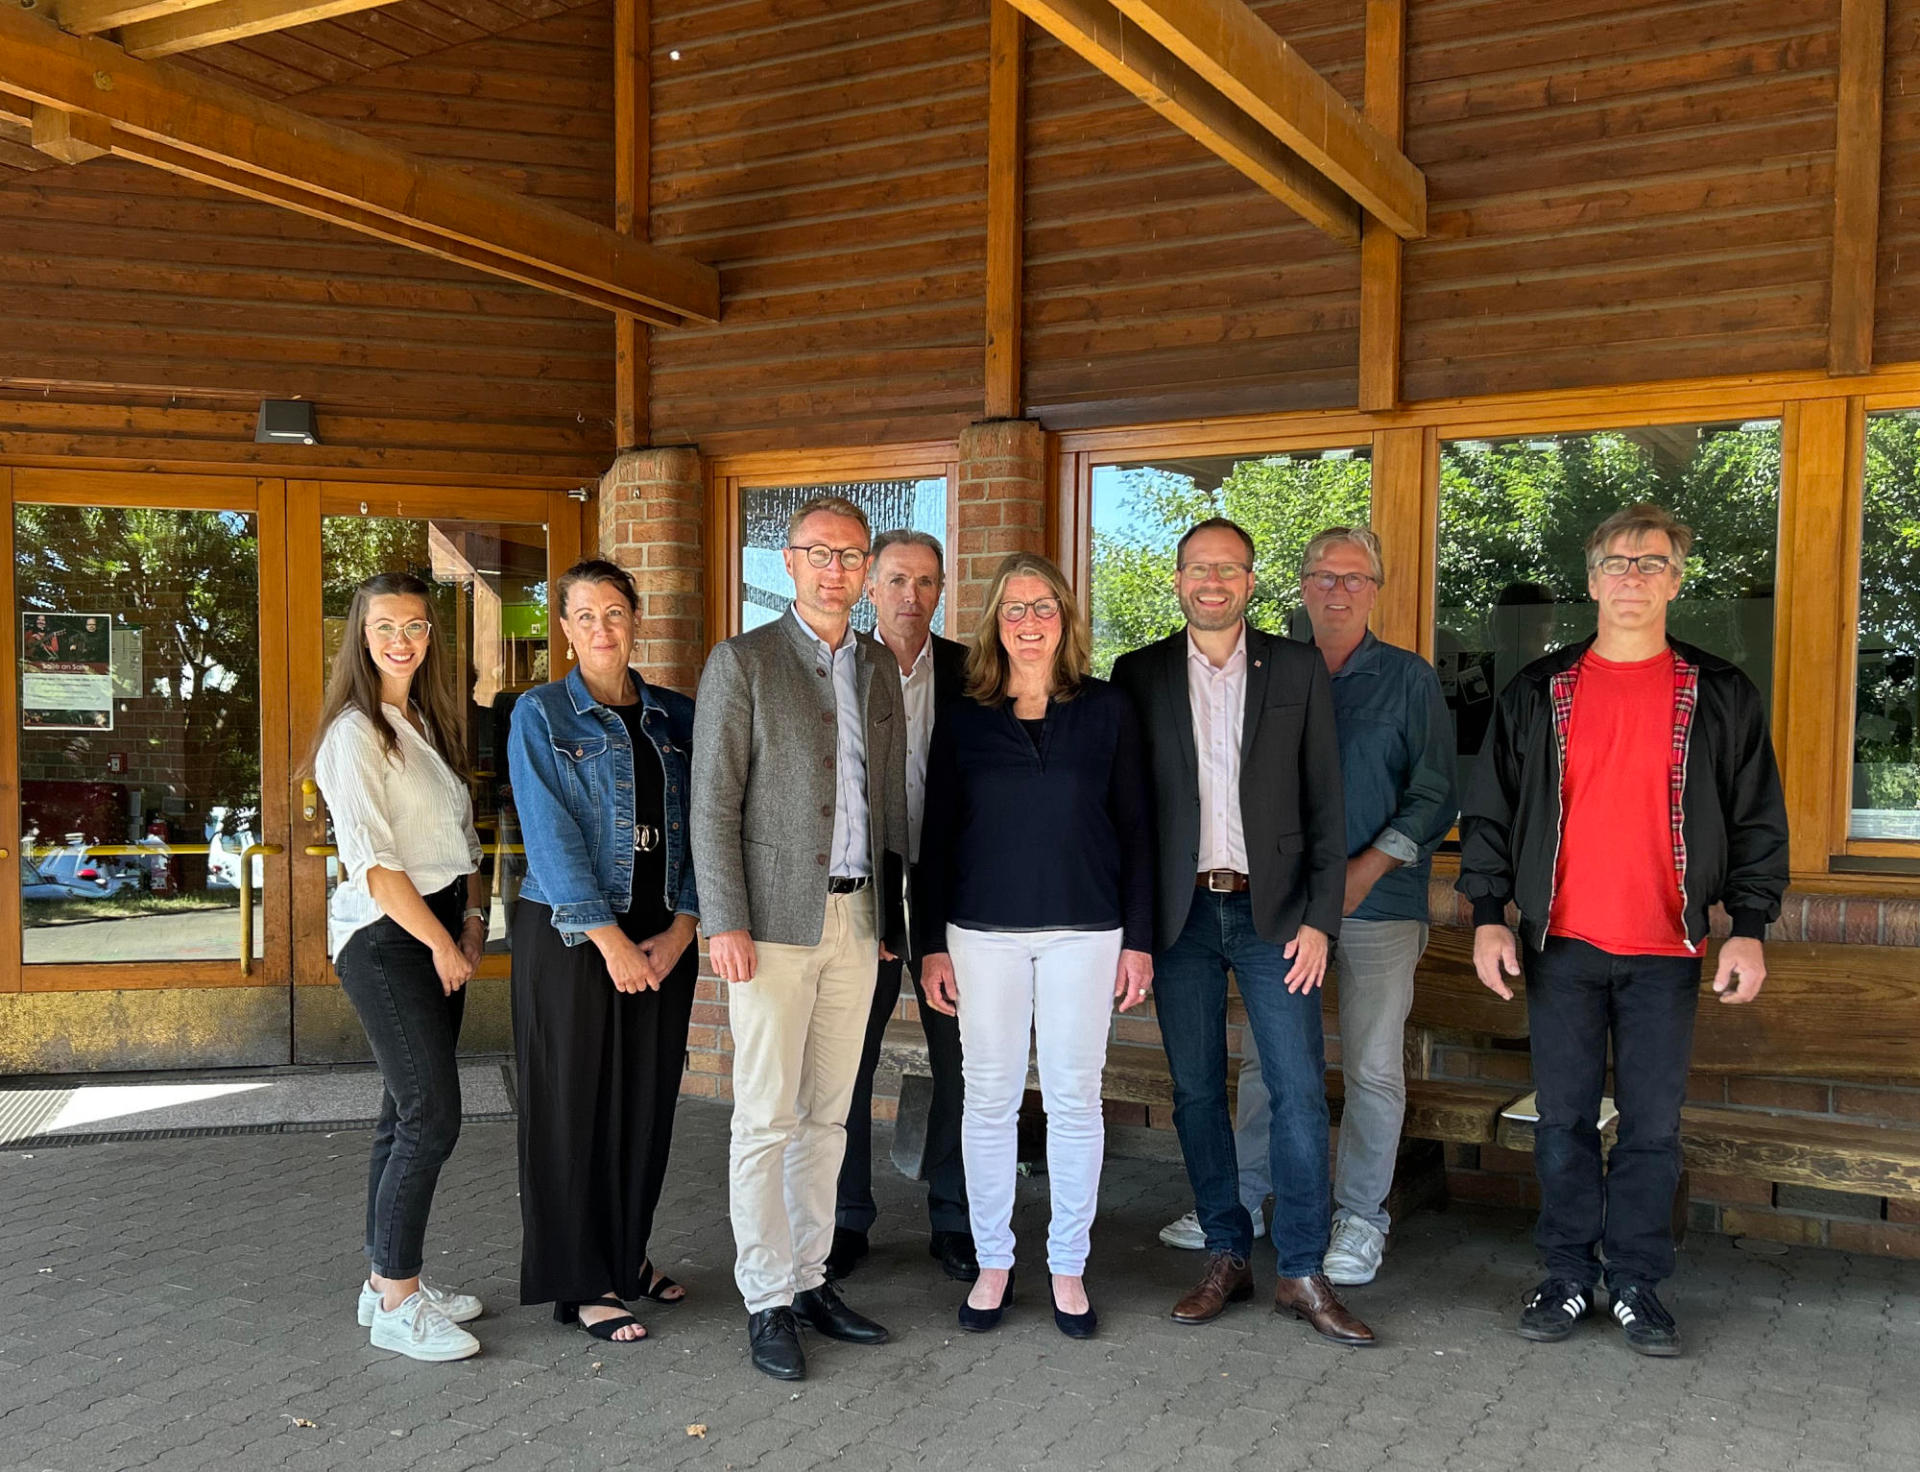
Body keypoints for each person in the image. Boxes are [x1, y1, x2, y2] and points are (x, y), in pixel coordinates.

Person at [1459, 503, 1788, 1357]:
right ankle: (1567, 1274)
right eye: (1616, 562)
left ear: (1678, 580)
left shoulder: (1719, 694)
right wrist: (1489, 916)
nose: (1631, 577)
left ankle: (1637, 1283)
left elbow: (1757, 822)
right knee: (1563, 1119)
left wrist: (1748, 925)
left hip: (1668, 950)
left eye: (1651, 563)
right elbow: (1490, 814)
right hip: (1561, 947)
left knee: (1650, 1126)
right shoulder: (1541, 690)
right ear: (1591, 577)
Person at [1159, 529, 1457, 1288]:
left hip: (1378, 903)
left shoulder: (1407, 680)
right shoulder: (1268, 667)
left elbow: (1434, 795)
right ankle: (1255, 1195)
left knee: (1369, 1065)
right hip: (1281, 902)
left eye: (1353, 579)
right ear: (1297, 585)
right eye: (1322, 576)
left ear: (1376, 589)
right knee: (1272, 1060)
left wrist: (1367, 865)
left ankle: (1360, 1214)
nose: (1336, 590)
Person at [1112, 518, 1373, 1347]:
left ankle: (1300, 1267)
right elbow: (1128, 816)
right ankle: (1227, 1250)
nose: (1213, 582)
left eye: (1228, 568)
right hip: (1180, 916)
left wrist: (1322, 921)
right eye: (1199, 568)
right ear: (1179, 578)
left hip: (1276, 916)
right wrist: (1134, 933)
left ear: (1252, 581)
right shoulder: (1138, 673)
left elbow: (1328, 806)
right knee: (1194, 1091)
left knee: (1297, 1091)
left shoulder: (1294, 667)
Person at [690, 495, 909, 1382]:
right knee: (765, 1117)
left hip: (859, 921)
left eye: (852, 555)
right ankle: (767, 1298)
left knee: (829, 1116)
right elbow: (712, 802)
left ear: (865, 570)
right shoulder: (742, 661)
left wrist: (895, 916)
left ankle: (814, 1280)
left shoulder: (879, 668)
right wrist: (725, 920)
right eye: (819, 552)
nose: (836, 569)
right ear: (789, 561)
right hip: (772, 927)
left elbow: (890, 802)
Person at [918, 552, 1154, 1341]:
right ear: (994, 624)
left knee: (1074, 1099)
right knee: (986, 1100)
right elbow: (936, 838)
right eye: (1013, 608)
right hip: (979, 931)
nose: (1028, 621)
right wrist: (931, 946)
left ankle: (1066, 1266)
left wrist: (1139, 942)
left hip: (1086, 931)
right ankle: (993, 1263)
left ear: (1065, 618)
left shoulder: (1111, 710)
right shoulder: (963, 716)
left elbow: (1137, 831)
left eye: (1042, 606)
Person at [507, 559, 701, 1346]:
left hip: (663, 936)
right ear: (563, 627)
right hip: (573, 938)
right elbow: (547, 835)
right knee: (572, 1108)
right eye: (583, 615)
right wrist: (611, 940)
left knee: (645, 1105)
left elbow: (707, 824)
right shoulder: (542, 713)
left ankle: (627, 1254)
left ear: (636, 618)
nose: (600, 629)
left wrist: (683, 928)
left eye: (613, 612)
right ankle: (582, 1280)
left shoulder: (676, 716)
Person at [310, 572, 488, 1363]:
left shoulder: (424, 722)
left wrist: (474, 921)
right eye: (386, 625)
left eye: (416, 626)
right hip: (388, 937)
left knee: (401, 1114)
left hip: (440, 926)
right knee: (432, 1114)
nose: (402, 640)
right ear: (361, 633)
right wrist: (442, 945)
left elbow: (464, 839)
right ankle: (399, 1302)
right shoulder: (353, 733)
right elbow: (377, 869)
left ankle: (385, 1280)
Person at [826, 529, 977, 1286]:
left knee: (961, 1057)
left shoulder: (972, 672)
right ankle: (847, 1216)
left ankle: (954, 1216)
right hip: (869, 889)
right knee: (852, 1054)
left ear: (941, 590)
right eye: (895, 581)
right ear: (870, 589)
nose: (910, 596)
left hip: (955, 887)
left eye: (924, 581)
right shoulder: (843, 669)